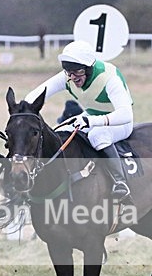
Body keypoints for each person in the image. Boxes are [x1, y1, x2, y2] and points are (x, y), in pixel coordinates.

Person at [25, 40, 135, 201]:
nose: (72, 77)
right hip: (90, 116)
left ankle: (120, 182)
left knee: (98, 135)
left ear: (89, 68)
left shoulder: (109, 78)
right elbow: (36, 94)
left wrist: (93, 122)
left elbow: (126, 114)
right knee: (59, 131)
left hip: (119, 123)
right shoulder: (68, 76)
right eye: (68, 72)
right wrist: (25, 110)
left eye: (77, 72)